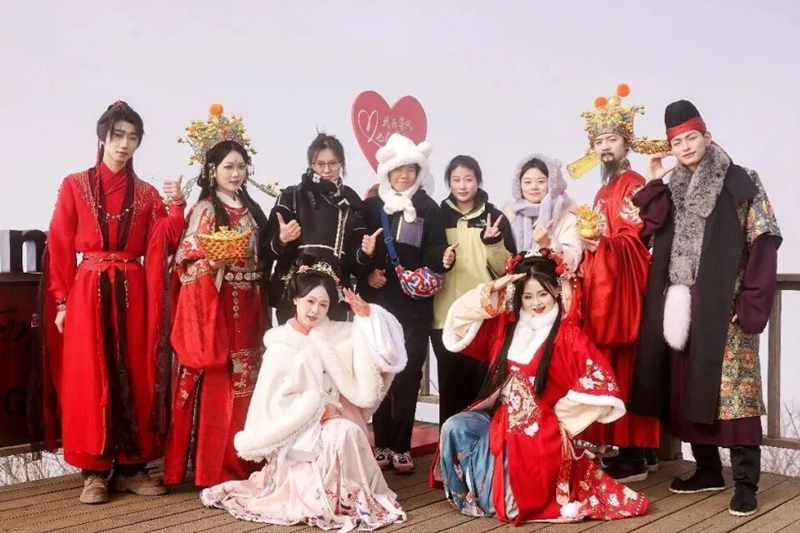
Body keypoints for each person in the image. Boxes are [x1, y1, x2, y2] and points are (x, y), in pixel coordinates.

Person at [628, 100, 782, 517]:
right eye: (677, 142)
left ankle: (746, 483)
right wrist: (655, 182)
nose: (685, 147)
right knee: (688, 386)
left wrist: (751, 301)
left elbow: (764, 239)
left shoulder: (741, 180)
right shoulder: (674, 185)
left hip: (726, 303)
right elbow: (647, 231)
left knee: (735, 393)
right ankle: (707, 469)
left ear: (707, 137)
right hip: (683, 302)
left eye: (691, 138)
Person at [429, 250, 650, 524]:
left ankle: (498, 495)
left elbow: (601, 383)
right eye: (528, 296)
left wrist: (558, 420)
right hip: (499, 418)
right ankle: (476, 496)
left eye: (543, 294)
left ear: (556, 290)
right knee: (455, 427)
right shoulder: (505, 327)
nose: (536, 303)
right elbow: (459, 320)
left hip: (539, 430)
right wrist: (492, 288)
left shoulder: (567, 335)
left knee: (512, 507)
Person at [36, 100, 185, 504]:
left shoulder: (148, 193)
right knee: (90, 374)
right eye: (117, 135)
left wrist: (176, 205)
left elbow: (164, 239)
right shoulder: (74, 184)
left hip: (133, 288)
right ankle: (94, 472)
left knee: (136, 371)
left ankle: (132, 468)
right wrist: (62, 301)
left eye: (132, 137)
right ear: (102, 137)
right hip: (88, 288)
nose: (124, 144)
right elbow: (60, 242)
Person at [200, 260, 407, 531]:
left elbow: (383, 354)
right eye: (310, 301)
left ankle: (348, 499)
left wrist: (368, 317)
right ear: (296, 299)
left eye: (323, 304)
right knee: (341, 433)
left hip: (337, 418)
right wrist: (318, 411)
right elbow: (274, 403)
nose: (315, 310)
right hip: (298, 429)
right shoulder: (280, 345)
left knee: (345, 431)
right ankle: (327, 498)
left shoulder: (337, 334)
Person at [164, 105, 271, 487]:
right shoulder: (206, 209)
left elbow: (265, 253)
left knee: (252, 383)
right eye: (228, 167)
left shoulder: (254, 209)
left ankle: (250, 460)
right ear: (212, 170)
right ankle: (215, 466)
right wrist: (211, 263)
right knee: (221, 383)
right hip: (221, 305)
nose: (236, 173)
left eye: (241, 166)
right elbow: (184, 259)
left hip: (254, 304)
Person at [566, 84, 664, 481]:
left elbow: (636, 238)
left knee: (628, 368)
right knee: (614, 368)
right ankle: (634, 449)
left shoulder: (633, 182)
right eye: (599, 141)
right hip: (604, 285)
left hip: (625, 290)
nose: (605, 147)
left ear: (627, 143)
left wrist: (603, 246)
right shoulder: (604, 187)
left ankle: (635, 453)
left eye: (612, 139)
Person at [358, 133, 455, 474]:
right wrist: (368, 270)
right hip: (379, 305)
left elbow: (433, 249)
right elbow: (358, 251)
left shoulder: (428, 208)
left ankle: (401, 447)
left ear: (419, 172)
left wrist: (443, 259)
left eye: (411, 169)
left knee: (410, 374)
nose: (404, 175)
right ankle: (381, 443)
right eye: (398, 169)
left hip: (414, 307)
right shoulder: (371, 207)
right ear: (387, 172)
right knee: (380, 373)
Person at [431, 155, 516, 427]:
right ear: (448, 183)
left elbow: (506, 268)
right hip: (446, 315)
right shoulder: (436, 216)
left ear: (478, 181)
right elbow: (428, 255)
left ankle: (483, 446)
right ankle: (449, 445)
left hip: (484, 315)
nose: (462, 185)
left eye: (468, 179)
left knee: (483, 390)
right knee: (450, 387)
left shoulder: (495, 217)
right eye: (456, 180)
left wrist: (493, 242)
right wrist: (440, 257)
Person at [265, 133, 372, 324]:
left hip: (334, 296)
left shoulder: (352, 201)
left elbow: (355, 260)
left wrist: (365, 253)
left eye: (333, 163)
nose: (327, 169)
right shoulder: (291, 196)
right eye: (320, 164)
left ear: (342, 163)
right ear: (311, 164)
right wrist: (281, 239)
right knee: (293, 342)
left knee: (332, 342)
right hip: (294, 294)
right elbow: (265, 248)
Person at [505, 153, 582, 315]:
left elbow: (573, 261)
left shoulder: (567, 216)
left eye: (541, 181)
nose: (533, 187)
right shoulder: (512, 217)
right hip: (523, 298)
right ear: (519, 185)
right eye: (527, 182)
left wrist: (547, 244)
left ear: (552, 183)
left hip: (555, 297)